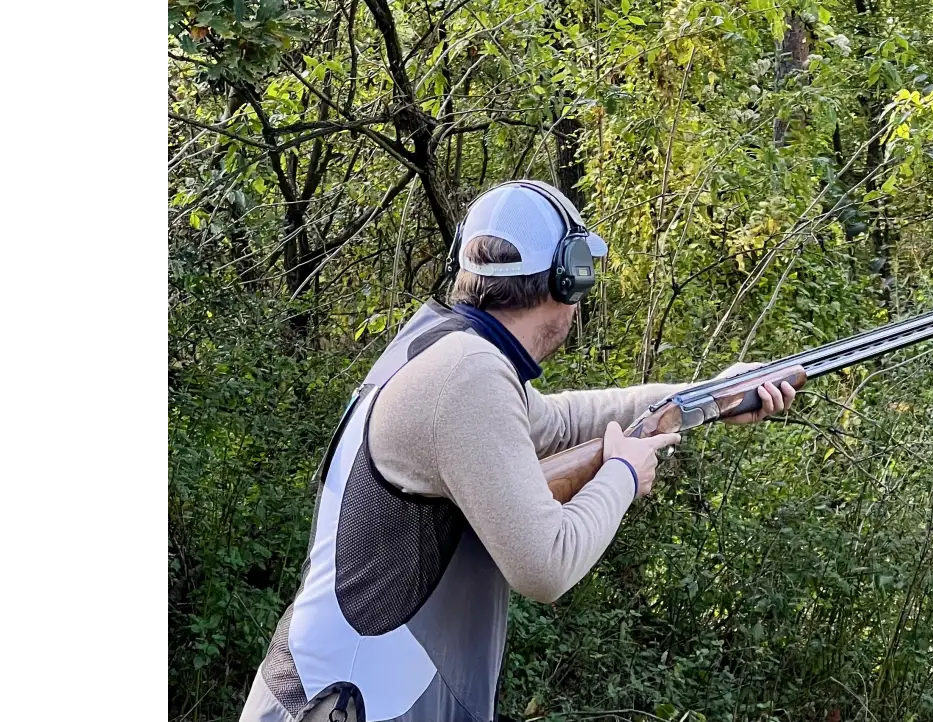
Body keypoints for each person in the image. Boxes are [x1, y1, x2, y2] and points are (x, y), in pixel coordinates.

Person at [238, 180, 797, 722]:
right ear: (567, 278)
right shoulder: (469, 373)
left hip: (347, 691)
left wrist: (709, 396)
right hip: (349, 702)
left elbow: (559, 422)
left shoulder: (448, 347)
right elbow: (545, 567)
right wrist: (623, 474)